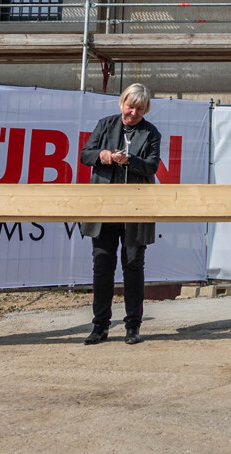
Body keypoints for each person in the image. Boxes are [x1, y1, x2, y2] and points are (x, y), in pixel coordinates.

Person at [78, 83, 162, 346]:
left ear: (145, 109)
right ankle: (100, 326)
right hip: (104, 207)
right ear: (122, 103)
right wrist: (102, 155)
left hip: (136, 209)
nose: (133, 112)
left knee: (133, 265)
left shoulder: (151, 133)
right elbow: (84, 155)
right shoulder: (105, 125)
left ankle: (132, 326)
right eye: (130, 105)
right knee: (102, 265)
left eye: (139, 108)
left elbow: (152, 165)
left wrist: (130, 161)